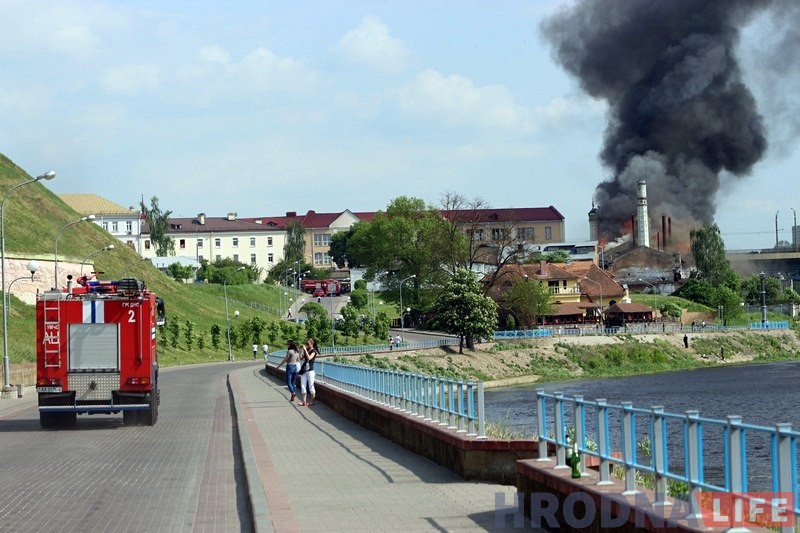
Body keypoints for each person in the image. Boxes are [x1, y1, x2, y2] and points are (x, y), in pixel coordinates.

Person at [298, 337, 319, 406]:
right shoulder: (306, 349)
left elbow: (309, 358)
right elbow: (300, 358)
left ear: (312, 344)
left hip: (310, 371)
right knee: (303, 386)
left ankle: (312, 401)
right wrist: (301, 350)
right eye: (306, 344)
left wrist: (305, 350)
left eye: (308, 344)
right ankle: (304, 402)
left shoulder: (314, 351)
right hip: (304, 370)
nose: (306, 345)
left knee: (311, 386)